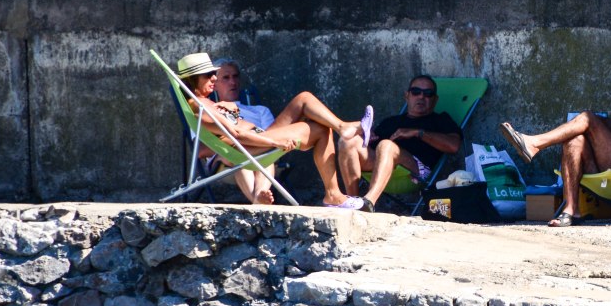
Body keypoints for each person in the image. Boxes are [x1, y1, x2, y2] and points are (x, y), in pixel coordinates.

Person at [174, 52, 368, 208]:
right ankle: (333, 192)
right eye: (208, 75)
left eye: (214, 74)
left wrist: (232, 111)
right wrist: (275, 142)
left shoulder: (206, 104)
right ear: (193, 79)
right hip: (245, 148)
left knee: (309, 108)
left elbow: (233, 129)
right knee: (316, 123)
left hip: (252, 142)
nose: (214, 78)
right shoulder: (202, 107)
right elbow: (237, 133)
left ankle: (342, 130)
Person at [499, 67, 611, 227]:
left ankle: (535, 143)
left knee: (587, 118)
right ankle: (571, 210)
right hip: (607, 172)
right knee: (574, 140)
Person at [338, 75, 463, 211]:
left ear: (435, 99)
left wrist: (418, 133)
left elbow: (454, 146)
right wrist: (366, 138)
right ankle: (353, 203)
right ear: (407, 96)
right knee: (347, 141)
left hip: (415, 174)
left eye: (428, 94)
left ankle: (368, 202)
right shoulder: (390, 122)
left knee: (386, 146)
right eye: (416, 92)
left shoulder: (440, 120)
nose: (421, 97)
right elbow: (370, 150)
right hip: (382, 166)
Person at [210, 59, 279, 204]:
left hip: (262, 154)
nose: (233, 82)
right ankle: (259, 199)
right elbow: (203, 149)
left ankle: (258, 200)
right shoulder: (209, 112)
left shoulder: (260, 111)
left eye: (235, 76)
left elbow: (273, 138)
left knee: (264, 156)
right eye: (226, 78)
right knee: (240, 157)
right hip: (228, 159)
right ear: (214, 84)